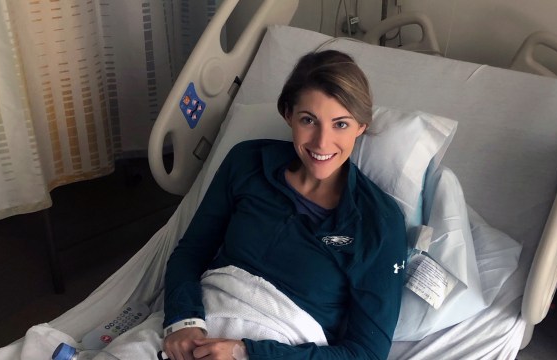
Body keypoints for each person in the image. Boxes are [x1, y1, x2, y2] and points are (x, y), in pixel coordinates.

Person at [162, 50, 407, 360]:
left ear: (361, 126)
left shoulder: (379, 223)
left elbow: (367, 354)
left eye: (341, 124)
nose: (322, 142)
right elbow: (191, 252)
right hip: (198, 328)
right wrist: (183, 321)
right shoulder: (247, 162)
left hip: (280, 346)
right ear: (288, 114)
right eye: (309, 120)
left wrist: (246, 353)